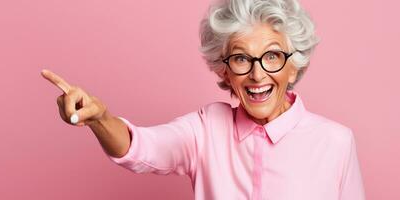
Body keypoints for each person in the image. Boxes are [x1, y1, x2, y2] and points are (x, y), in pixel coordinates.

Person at [41, 0, 365, 199]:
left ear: (293, 67)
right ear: (224, 72)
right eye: (241, 59)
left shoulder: (335, 142)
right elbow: (141, 148)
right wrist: (99, 118)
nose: (257, 74)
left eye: (273, 56)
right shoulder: (206, 128)